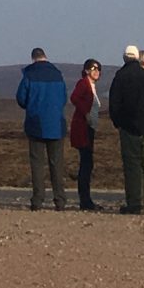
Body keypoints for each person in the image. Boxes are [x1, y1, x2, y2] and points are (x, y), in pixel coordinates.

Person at [105, 44, 144, 213]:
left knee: (132, 165)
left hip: (129, 129)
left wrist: (119, 123)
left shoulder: (120, 77)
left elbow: (114, 104)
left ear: (125, 58)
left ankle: (135, 203)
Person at [15, 47, 69, 210]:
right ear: (45, 57)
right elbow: (64, 98)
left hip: (36, 123)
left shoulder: (29, 75)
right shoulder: (58, 74)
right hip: (56, 124)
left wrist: (33, 106)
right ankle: (59, 200)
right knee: (56, 163)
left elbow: (21, 98)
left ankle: (38, 200)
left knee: (37, 163)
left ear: (33, 58)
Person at [67, 58, 103, 211]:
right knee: (86, 163)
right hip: (83, 128)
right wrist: (86, 112)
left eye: (98, 69)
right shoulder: (83, 84)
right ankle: (85, 200)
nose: (97, 72)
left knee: (88, 163)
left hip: (89, 127)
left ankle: (86, 199)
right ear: (87, 70)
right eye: (94, 69)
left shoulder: (91, 86)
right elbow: (74, 97)